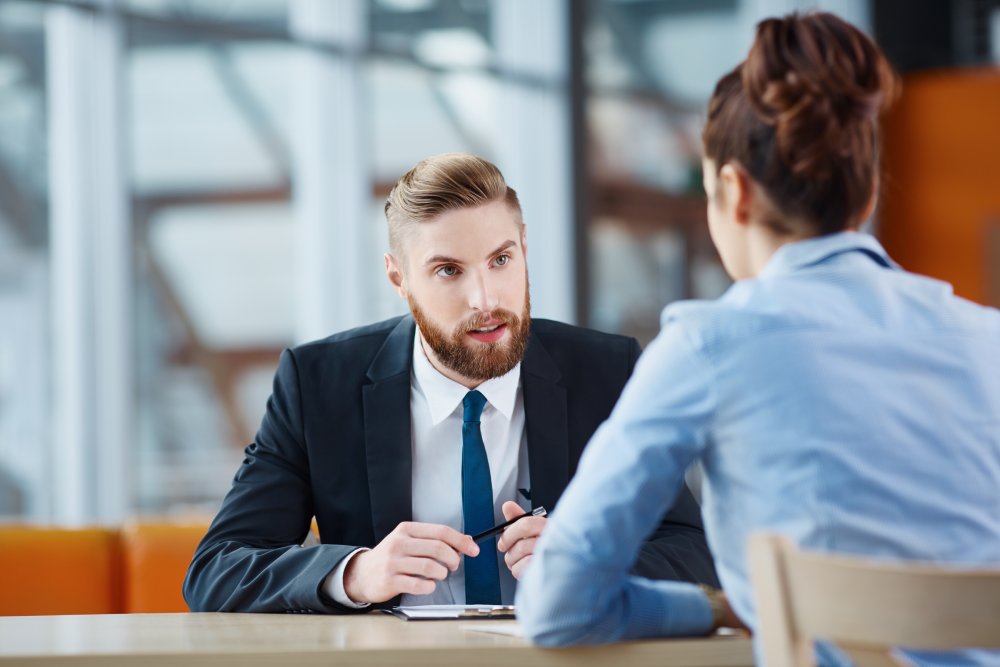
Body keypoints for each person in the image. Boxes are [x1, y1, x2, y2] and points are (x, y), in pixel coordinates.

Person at [516, 12, 1000, 667]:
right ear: (865, 195)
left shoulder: (709, 345)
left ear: (734, 192)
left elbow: (556, 602)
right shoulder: (985, 338)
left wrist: (720, 604)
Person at [183, 153, 718, 613]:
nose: (485, 299)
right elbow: (217, 568)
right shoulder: (319, 383)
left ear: (525, 249)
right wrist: (356, 574)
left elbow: (694, 551)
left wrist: (591, 555)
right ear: (399, 278)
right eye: (448, 270)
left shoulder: (608, 370)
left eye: (500, 260)